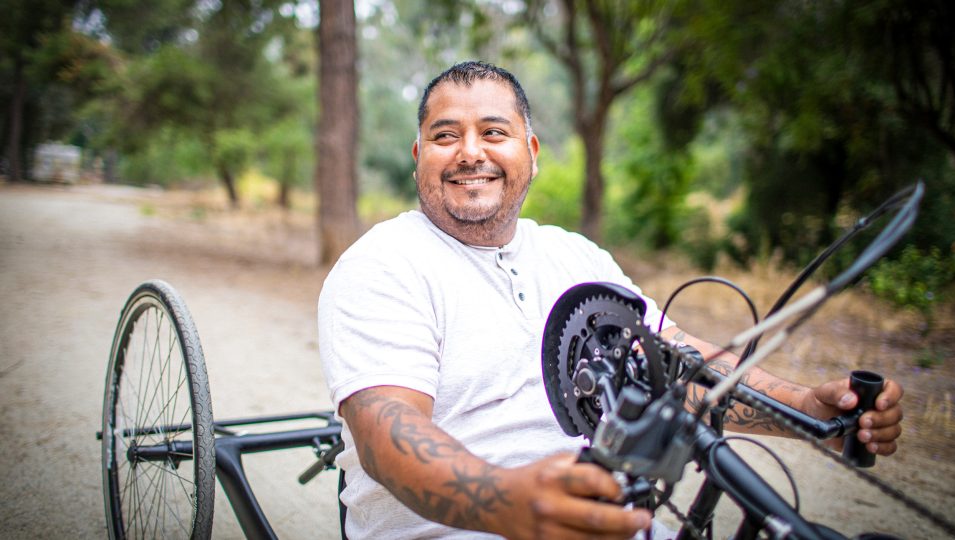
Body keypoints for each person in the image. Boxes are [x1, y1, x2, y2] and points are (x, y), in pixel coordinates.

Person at [317, 61, 904, 540]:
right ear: (420, 157)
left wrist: (809, 412)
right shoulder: (382, 265)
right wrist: (506, 503)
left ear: (532, 151)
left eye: (494, 132)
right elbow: (384, 429)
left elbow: (673, 365)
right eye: (446, 136)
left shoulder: (576, 257)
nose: (471, 152)